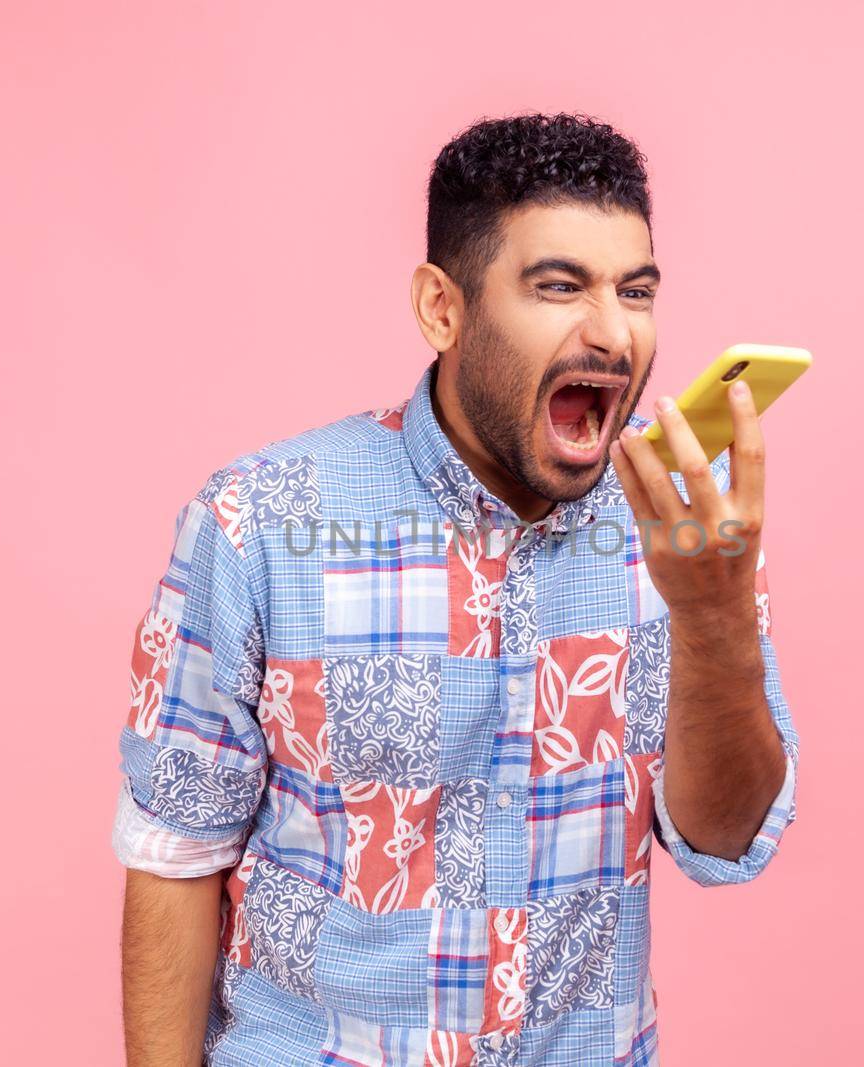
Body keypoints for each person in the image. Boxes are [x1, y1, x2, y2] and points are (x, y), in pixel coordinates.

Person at [113, 111, 799, 1066]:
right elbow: (174, 855)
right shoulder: (256, 520)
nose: (612, 333)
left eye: (635, 290)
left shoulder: (688, 535)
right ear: (443, 307)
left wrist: (713, 613)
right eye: (558, 286)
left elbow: (724, 841)